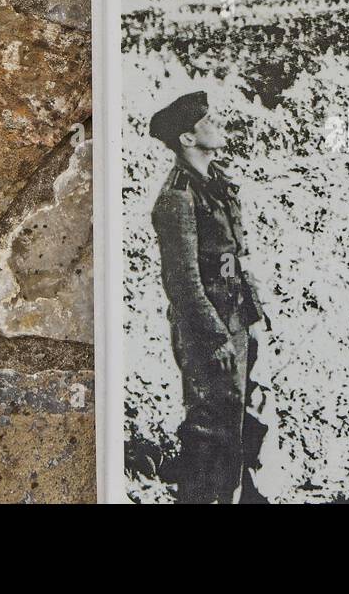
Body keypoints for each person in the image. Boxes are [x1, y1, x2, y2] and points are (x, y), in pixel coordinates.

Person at [149, 91, 270, 504]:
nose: (219, 125)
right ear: (186, 138)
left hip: (236, 318)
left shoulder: (218, 183)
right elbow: (182, 282)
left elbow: (234, 256)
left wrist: (254, 315)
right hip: (209, 329)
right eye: (209, 122)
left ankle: (240, 495)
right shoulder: (177, 198)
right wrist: (216, 337)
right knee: (209, 430)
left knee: (237, 419)